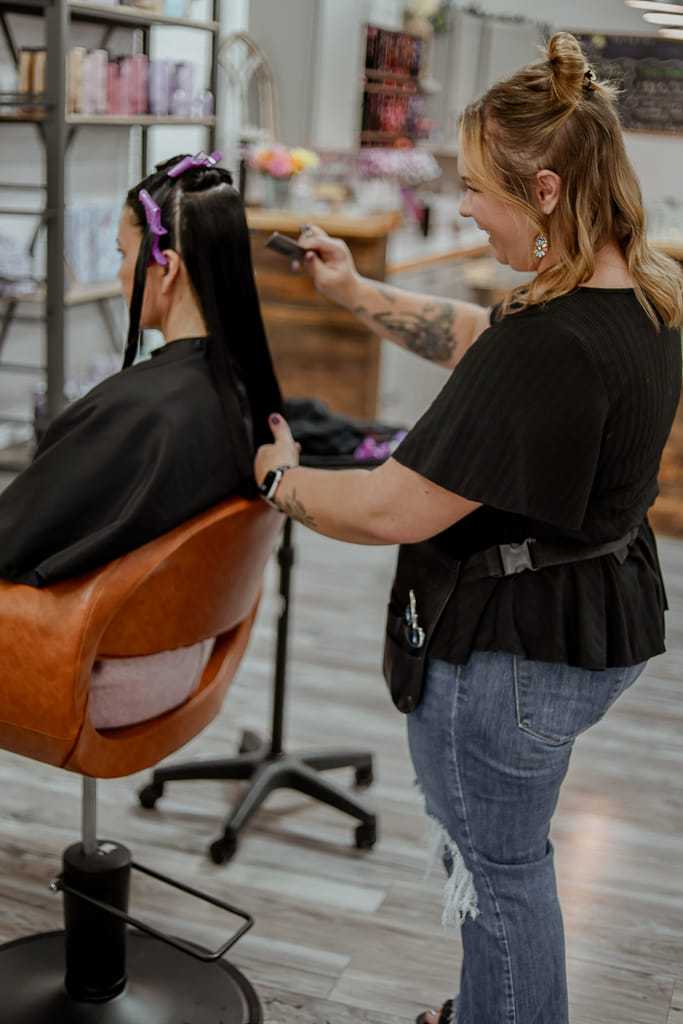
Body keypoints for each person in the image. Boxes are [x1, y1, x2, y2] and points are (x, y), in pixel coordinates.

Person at [252, 33, 683, 1024]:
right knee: (504, 858)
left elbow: (389, 505)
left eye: (477, 187)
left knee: (500, 868)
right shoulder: (635, 297)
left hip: (513, 655)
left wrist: (282, 481)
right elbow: (475, 339)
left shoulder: (549, 343)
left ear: (541, 190)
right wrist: (355, 293)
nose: (462, 206)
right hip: (587, 619)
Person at [0, 152, 282, 586]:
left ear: (166, 268)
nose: (118, 274)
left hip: (85, 648)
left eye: (122, 253)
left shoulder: (137, 412)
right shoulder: (251, 390)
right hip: (182, 642)